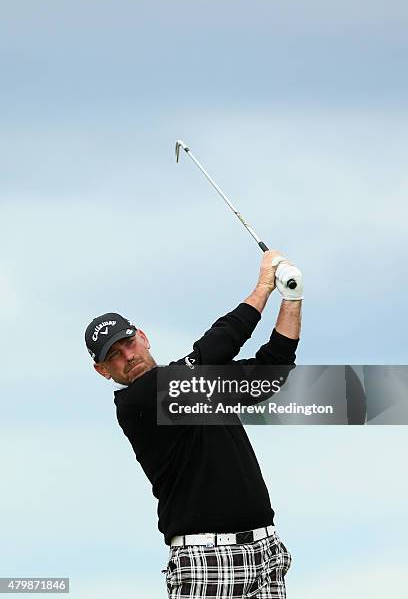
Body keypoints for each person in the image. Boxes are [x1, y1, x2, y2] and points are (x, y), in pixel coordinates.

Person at [84, 250, 303, 598]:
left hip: (265, 552)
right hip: (204, 560)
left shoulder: (198, 383)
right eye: (113, 356)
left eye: (128, 343)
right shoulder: (137, 402)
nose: (128, 356)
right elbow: (214, 349)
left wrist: (292, 296)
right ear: (102, 371)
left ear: (142, 336)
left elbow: (271, 371)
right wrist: (263, 287)